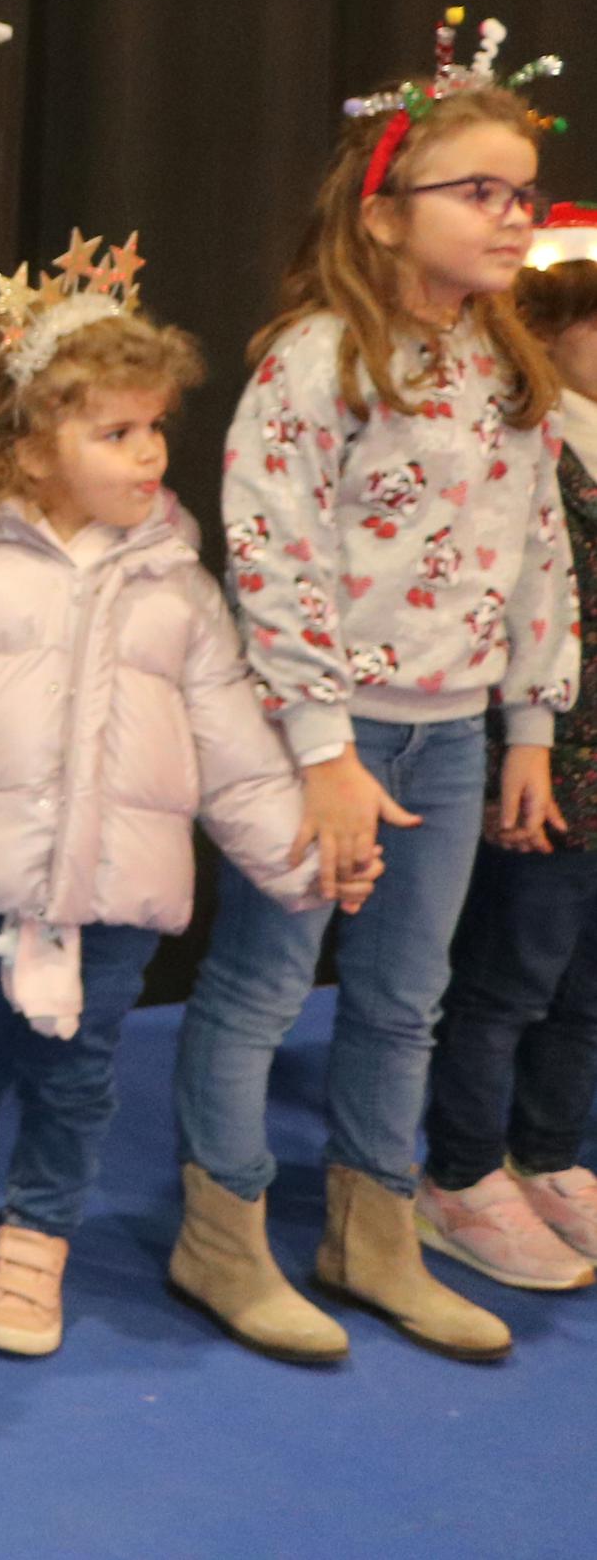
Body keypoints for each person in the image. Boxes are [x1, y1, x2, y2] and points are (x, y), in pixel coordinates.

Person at [0, 238, 324, 1359]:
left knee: (79, 1066)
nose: (147, 453)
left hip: (111, 889)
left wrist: (296, 858)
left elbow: (232, 743)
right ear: (28, 446)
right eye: (113, 430)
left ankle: (36, 1240)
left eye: (153, 429)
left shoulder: (177, 591)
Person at [173, 27, 579, 1365]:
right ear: (383, 209)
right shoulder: (313, 359)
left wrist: (525, 722)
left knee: (402, 995)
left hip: (451, 732)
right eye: (475, 189)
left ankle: (370, 1230)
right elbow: (270, 554)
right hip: (321, 741)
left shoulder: (504, 365)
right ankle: (219, 1236)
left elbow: (533, 553)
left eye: (520, 190)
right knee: (261, 980)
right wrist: (321, 750)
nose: (508, 214)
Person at [417, 230, 597, 1286]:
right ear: (544, 334)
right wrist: (511, 754)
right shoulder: (533, 448)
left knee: (583, 986)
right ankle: (462, 1166)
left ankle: (549, 1154)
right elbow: (516, 611)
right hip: (547, 758)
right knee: (506, 979)